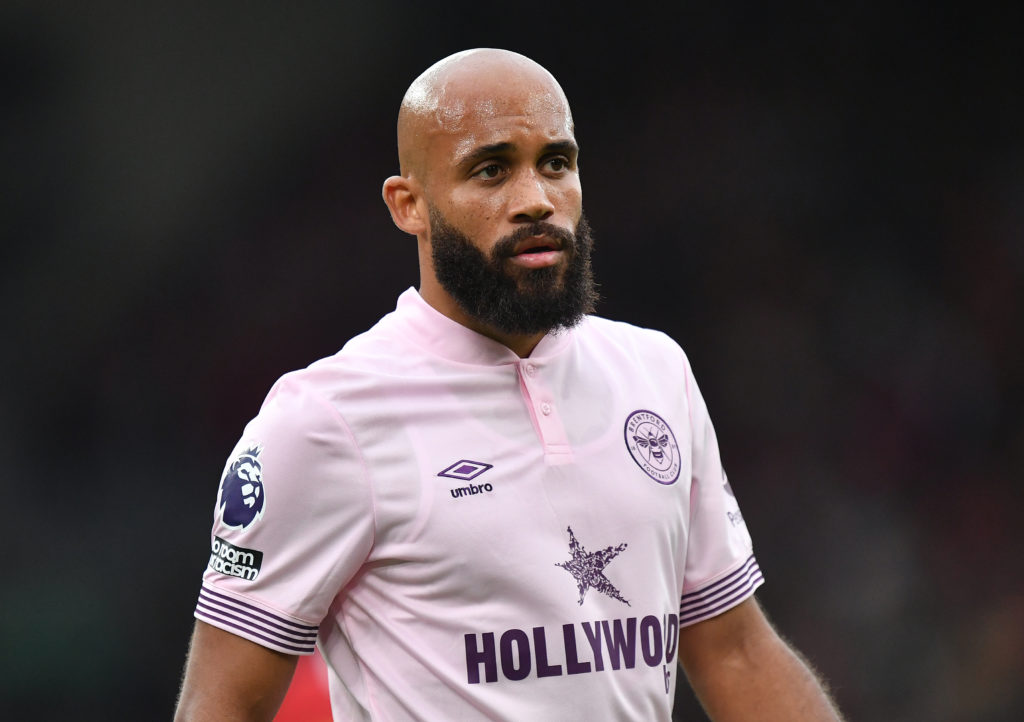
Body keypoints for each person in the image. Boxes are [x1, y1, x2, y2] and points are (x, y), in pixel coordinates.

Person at [174, 48, 843, 721]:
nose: (536, 200)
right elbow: (221, 705)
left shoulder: (656, 373)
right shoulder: (325, 419)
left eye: (556, 163)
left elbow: (735, 651)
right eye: (491, 170)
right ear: (409, 205)